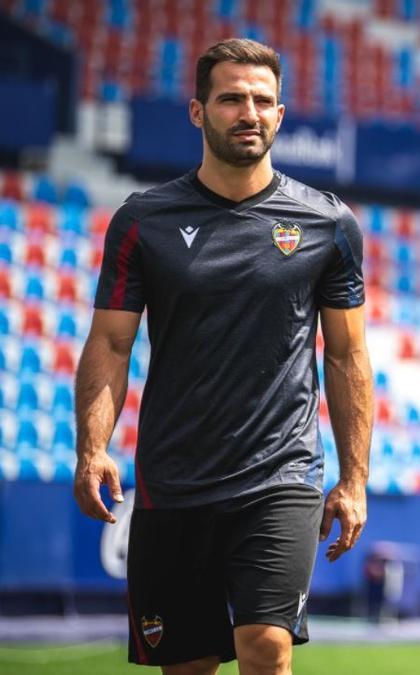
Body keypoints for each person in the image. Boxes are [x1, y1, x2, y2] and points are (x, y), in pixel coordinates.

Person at [72, 38, 373, 675]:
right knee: (188, 664)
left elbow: (347, 356)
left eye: (263, 101)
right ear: (197, 111)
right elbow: (110, 342)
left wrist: (354, 479)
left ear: (281, 115)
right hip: (174, 475)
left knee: (266, 648)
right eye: (231, 98)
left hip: (281, 473)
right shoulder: (143, 220)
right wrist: (92, 449)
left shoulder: (327, 223)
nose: (249, 113)